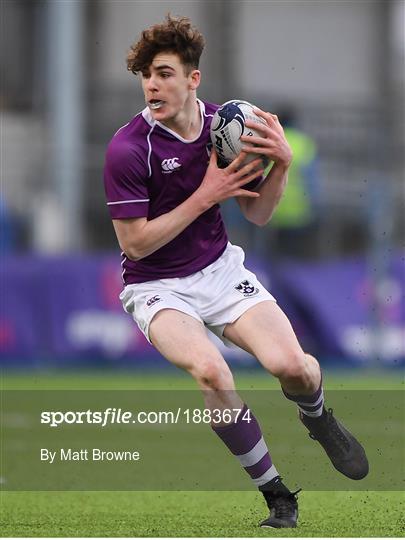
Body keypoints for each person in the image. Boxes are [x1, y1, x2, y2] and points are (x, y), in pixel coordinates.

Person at [103, 15, 368, 529]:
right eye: (146, 76)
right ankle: (277, 496)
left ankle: (317, 417)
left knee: (297, 369)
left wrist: (283, 166)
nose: (152, 85)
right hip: (156, 286)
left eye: (164, 73)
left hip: (221, 272)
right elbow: (134, 243)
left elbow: (258, 214)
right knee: (211, 371)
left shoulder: (229, 128)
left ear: (193, 79)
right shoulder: (129, 148)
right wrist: (206, 195)